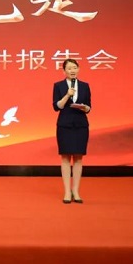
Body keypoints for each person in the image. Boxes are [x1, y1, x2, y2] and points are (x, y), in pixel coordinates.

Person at [52, 58, 91, 204]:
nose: (72, 70)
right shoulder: (58, 86)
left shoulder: (85, 86)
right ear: (64, 71)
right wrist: (68, 95)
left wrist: (85, 108)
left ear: (78, 69)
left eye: (74, 68)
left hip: (81, 125)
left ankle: (76, 190)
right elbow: (57, 106)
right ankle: (67, 191)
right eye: (69, 68)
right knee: (65, 158)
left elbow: (89, 107)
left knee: (79, 158)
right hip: (65, 125)